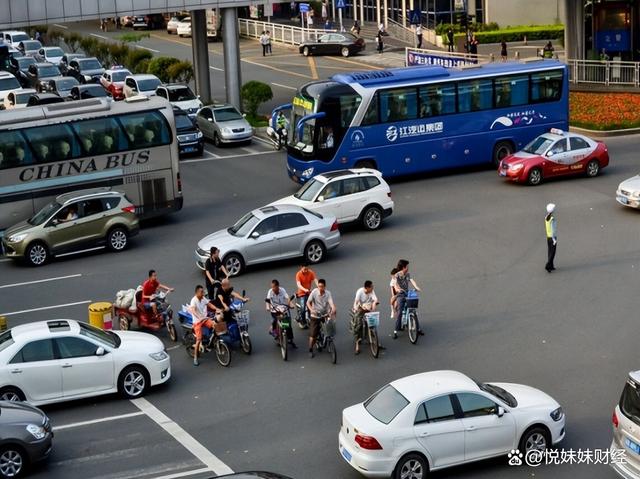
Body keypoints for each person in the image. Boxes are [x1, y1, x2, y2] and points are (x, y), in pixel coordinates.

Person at [189, 285, 220, 366]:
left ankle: (213, 342)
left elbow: (209, 304)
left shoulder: (203, 298)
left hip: (205, 319)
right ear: (197, 293)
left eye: (203, 291)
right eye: (201, 292)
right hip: (197, 322)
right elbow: (193, 310)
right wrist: (199, 317)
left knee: (215, 325)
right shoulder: (193, 300)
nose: (203, 293)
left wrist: (216, 309)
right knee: (199, 339)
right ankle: (195, 357)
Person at [393, 260, 423, 339]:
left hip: (407, 293)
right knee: (400, 312)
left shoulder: (407, 274)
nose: (408, 268)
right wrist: (397, 289)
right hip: (400, 294)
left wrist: (416, 287)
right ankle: (396, 329)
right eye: (407, 266)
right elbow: (395, 284)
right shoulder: (397, 275)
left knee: (413, 310)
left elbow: (412, 280)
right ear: (404, 267)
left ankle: (418, 328)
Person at [306, 279, 336, 358]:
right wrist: (312, 310)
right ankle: (310, 349)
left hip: (324, 314)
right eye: (319, 286)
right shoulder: (314, 292)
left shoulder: (328, 293)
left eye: (322, 287)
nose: (320, 288)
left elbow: (331, 303)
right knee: (313, 335)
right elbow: (308, 302)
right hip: (315, 316)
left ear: (324, 287)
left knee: (329, 328)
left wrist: (333, 309)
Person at [266, 279, 297, 348]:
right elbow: (267, 301)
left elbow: (288, 298)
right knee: (275, 320)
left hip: (283, 309)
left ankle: (291, 339)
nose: (273, 288)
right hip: (274, 309)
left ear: (278, 286)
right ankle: (274, 331)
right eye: (272, 287)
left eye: (274, 287)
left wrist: (291, 304)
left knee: (287, 323)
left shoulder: (282, 290)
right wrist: (267, 307)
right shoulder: (270, 291)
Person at [352, 280, 378, 354]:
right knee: (358, 325)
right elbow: (357, 302)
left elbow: (375, 300)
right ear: (367, 288)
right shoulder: (360, 291)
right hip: (359, 308)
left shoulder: (372, 291)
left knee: (373, 322)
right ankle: (357, 345)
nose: (373, 288)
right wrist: (360, 307)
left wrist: (373, 307)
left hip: (368, 308)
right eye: (371, 287)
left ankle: (374, 339)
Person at [545, 203, 557, 273]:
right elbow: (552, 229)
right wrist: (554, 239)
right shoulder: (552, 218)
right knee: (552, 252)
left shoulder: (546, 217)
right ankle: (548, 266)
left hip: (548, 237)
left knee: (550, 251)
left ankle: (551, 265)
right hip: (552, 237)